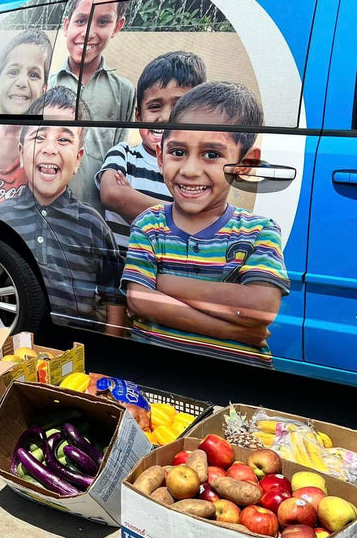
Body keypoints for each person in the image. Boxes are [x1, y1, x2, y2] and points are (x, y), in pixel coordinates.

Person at [122, 81, 289, 367]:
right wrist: (234, 330)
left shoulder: (259, 231)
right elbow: (139, 301)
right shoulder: (149, 225)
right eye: (178, 152)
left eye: (211, 154)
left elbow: (258, 309)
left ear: (245, 165)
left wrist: (163, 283)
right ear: (161, 157)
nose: (189, 170)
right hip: (157, 377)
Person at [0, 87, 126, 334]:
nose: (50, 148)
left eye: (64, 139)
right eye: (39, 137)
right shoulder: (3, 215)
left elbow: (115, 298)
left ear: (78, 159)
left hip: (81, 344)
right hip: (18, 337)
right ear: (22, 154)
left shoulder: (92, 224)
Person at [98, 51, 207, 249]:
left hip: (169, 270)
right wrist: (182, 214)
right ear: (138, 117)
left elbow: (203, 219)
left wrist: (132, 199)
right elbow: (112, 194)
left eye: (178, 107)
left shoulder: (196, 169)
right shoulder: (123, 154)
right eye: (154, 107)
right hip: (118, 268)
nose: (165, 117)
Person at [50, 0, 135, 214]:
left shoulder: (124, 91)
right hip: (49, 213)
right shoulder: (45, 85)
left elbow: (119, 160)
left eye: (103, 22)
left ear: (118, 27)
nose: (88, 32)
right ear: (66, 26)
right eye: (81, 21)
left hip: (97, 217)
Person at [0, 30, 54, 206]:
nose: (22, 82)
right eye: (13, 71)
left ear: (44, 89)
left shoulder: (47, 153)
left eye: (33, 75)